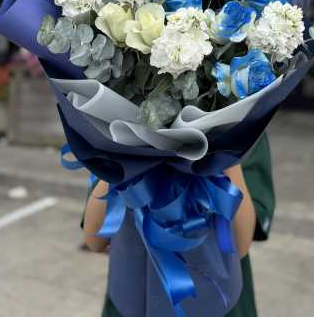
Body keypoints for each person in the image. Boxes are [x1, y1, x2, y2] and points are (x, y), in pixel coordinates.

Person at [83, 133, 275, 317]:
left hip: (220, 299)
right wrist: (123, 150)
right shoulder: (114, 127)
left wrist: (226, 151)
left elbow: (240, 245)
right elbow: (95, 239)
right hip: (132, 296)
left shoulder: (246, 125)